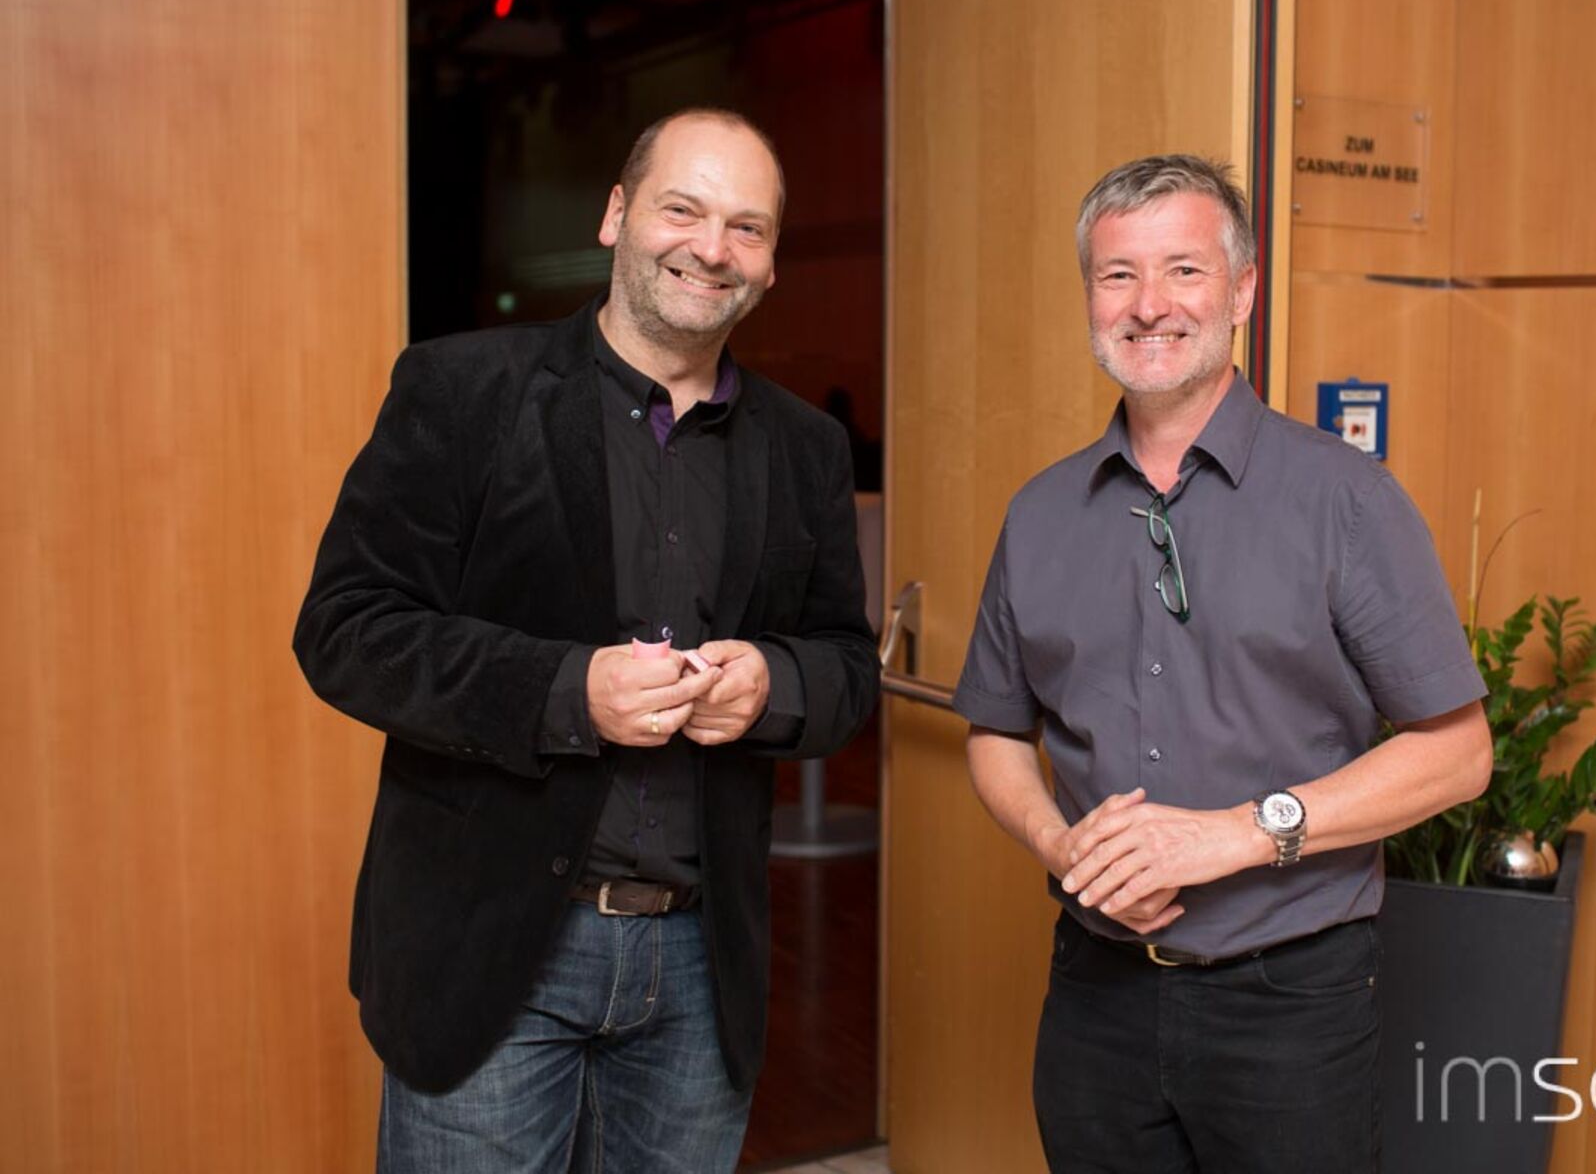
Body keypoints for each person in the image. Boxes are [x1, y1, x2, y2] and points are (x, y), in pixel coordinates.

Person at [293, 108, 878, 1172]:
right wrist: (567, 690)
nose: (712, 247)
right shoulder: (462, 391)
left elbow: (846, 662)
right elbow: (347, 629)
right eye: (683, 209)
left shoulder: (807, 447)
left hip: (701, 968)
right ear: (616, 215)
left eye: (747, 227)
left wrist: (774, 684)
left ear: (770, 260)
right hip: (493, 952)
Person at [954, 155, 1493, 1172]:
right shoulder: (1039, 514)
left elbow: (1458, 754)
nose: (1148, 304)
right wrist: (1060, 845)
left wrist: (1236, 835)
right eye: (1118, 274)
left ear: (1242, 292)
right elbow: (994, 731)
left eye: (1184, 270)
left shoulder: (1347, 501)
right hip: (1095, 997)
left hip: (1290, 1003)